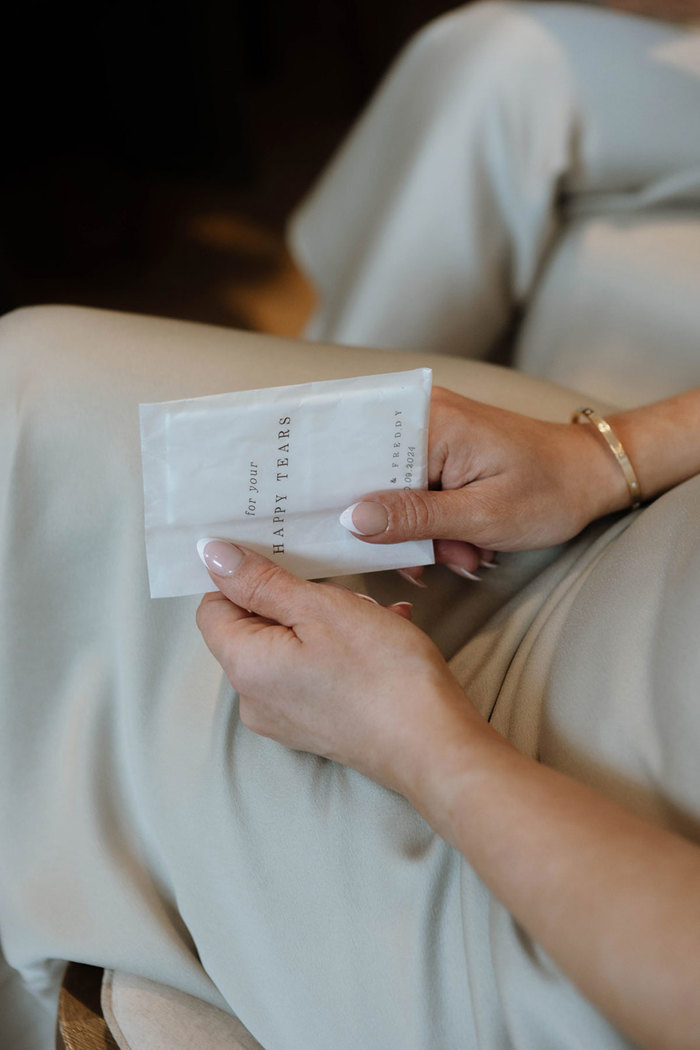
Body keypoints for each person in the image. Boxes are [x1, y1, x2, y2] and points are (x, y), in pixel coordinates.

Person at [1, 4, 699, 1050]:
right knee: (34, 381)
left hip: (557, 858)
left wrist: (420, 745)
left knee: (25, 426)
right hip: (635, 539)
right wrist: (613, 455)